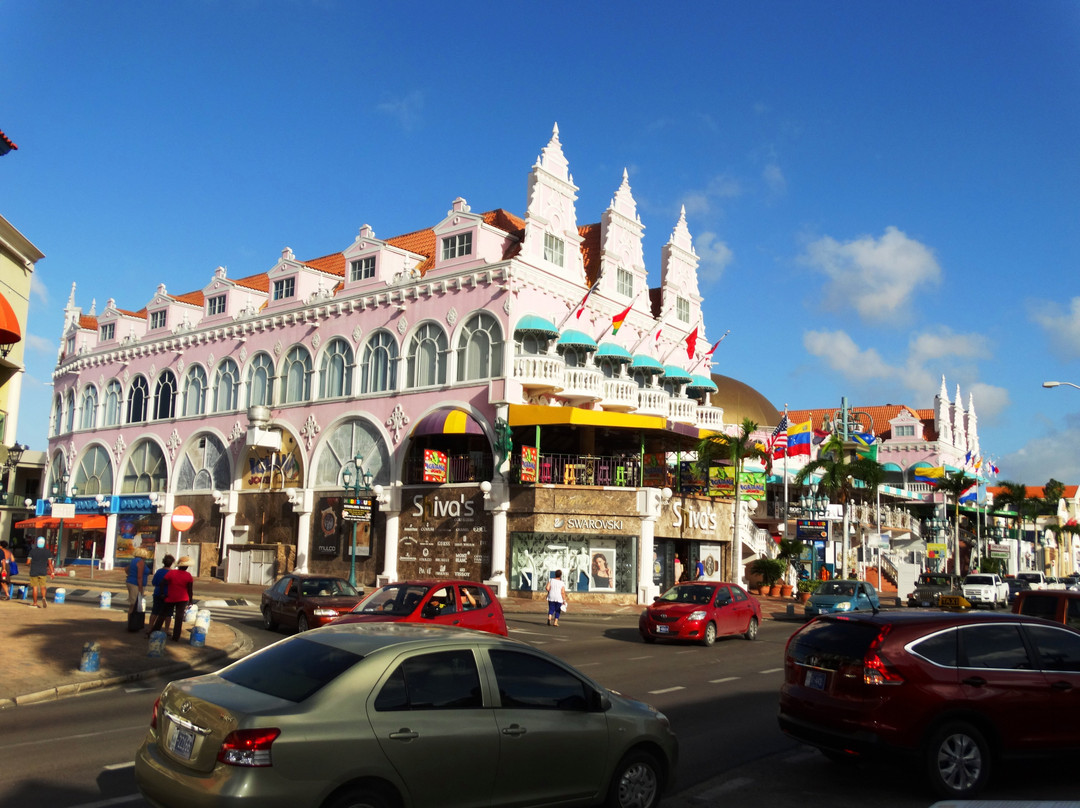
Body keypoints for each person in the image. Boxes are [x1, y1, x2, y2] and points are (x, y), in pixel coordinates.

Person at [149, 555, 194, 641]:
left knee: (162, 615)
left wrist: (162, 593)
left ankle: (153, 632)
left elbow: (162, 583)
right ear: (186, 567)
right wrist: (190, 601)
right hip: (183, 599)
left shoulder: (172, 573)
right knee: (179, 618)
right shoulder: (188, 576)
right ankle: (176, 637)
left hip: (170, 597)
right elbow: (190, 590)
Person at [146, 553, 175, 637]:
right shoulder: (172, 573)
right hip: (168, 594)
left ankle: (150, 627)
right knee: (168, 613)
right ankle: (166, 630)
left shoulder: (159, 571)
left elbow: (154, 582)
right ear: (172, 563)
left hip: (158, 593)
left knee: (155, 611)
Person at [27, 536, 54, 608]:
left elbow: (28, 562)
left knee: (35, 588)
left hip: (34, 571)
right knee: (43, 586)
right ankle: (44, 597)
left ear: (37, 543)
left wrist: (29, 564)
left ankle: (35, 603)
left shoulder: (32, 551)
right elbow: (50, 563)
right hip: (43, 571)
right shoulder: (47, 552)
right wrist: (52, 572)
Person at [126, 546, 153, 618]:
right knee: (134, 603)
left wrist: (130, 575)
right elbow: (139, 576)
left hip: (131, 581)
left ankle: (131, 620)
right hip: (136, 584)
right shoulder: (140, 562)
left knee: (134, 603)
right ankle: (132, 621)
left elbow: (126, 569)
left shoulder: (134, 560)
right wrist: (140, 587)